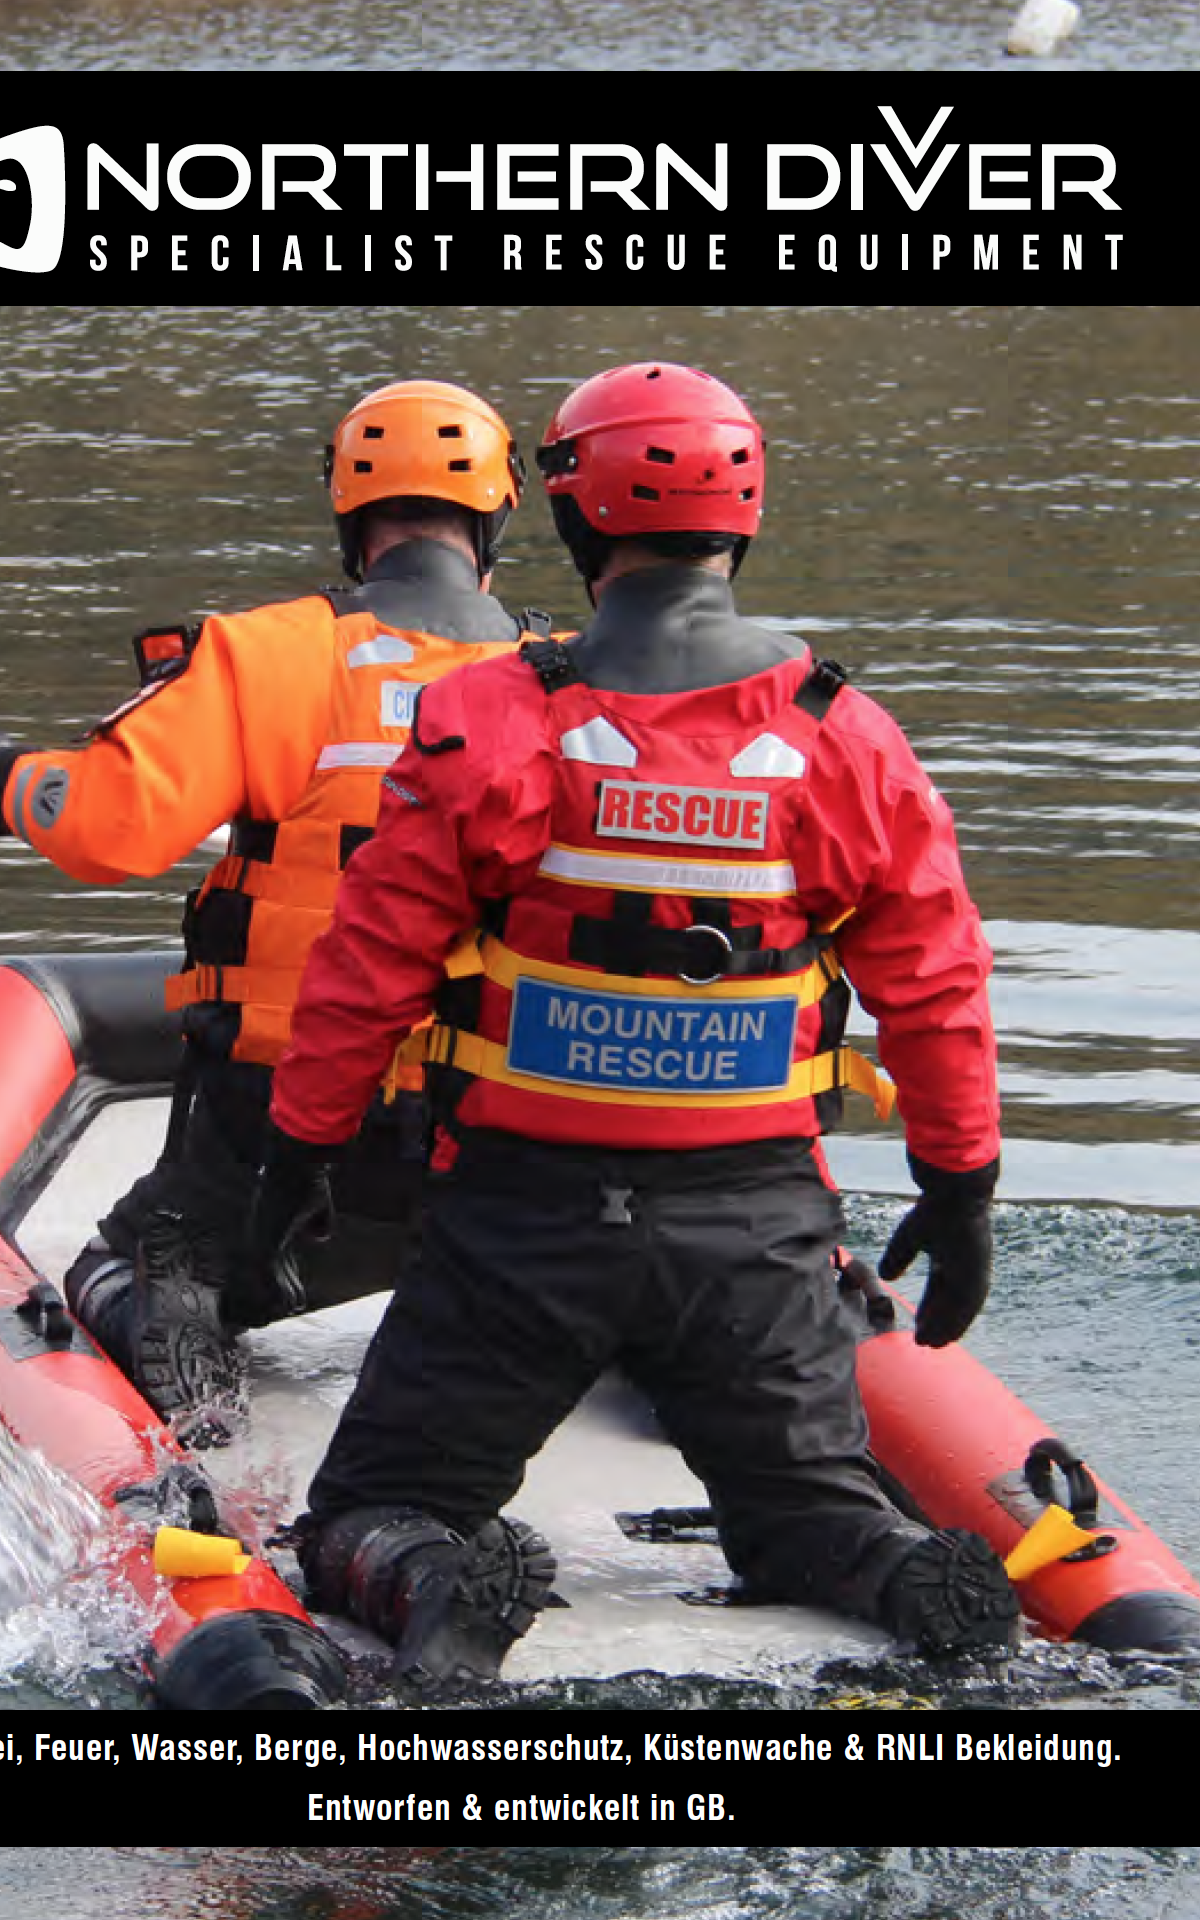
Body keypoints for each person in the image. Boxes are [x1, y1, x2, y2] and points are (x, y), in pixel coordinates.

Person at [246, 359, 1021, 1691]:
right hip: (756, 1240)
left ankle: (444, 1577)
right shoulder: (851, 741)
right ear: (747, 517)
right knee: (810, 1516)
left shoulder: (488, 720)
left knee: (372, 1515)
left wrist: (296, 1157)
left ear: (569, 519)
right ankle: (906, 1573)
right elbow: (939, 988)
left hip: (521, 1225)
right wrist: (962, 1188)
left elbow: (364, 968)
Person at [0, 378, 539, 1418]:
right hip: (500, 1131)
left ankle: (174, 1316)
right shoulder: (565, 679)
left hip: (281, 1123)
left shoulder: (270, 655)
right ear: (498, 515)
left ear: (352, 516)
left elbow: (107, 827)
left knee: (126, 1262)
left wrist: (1, 776)